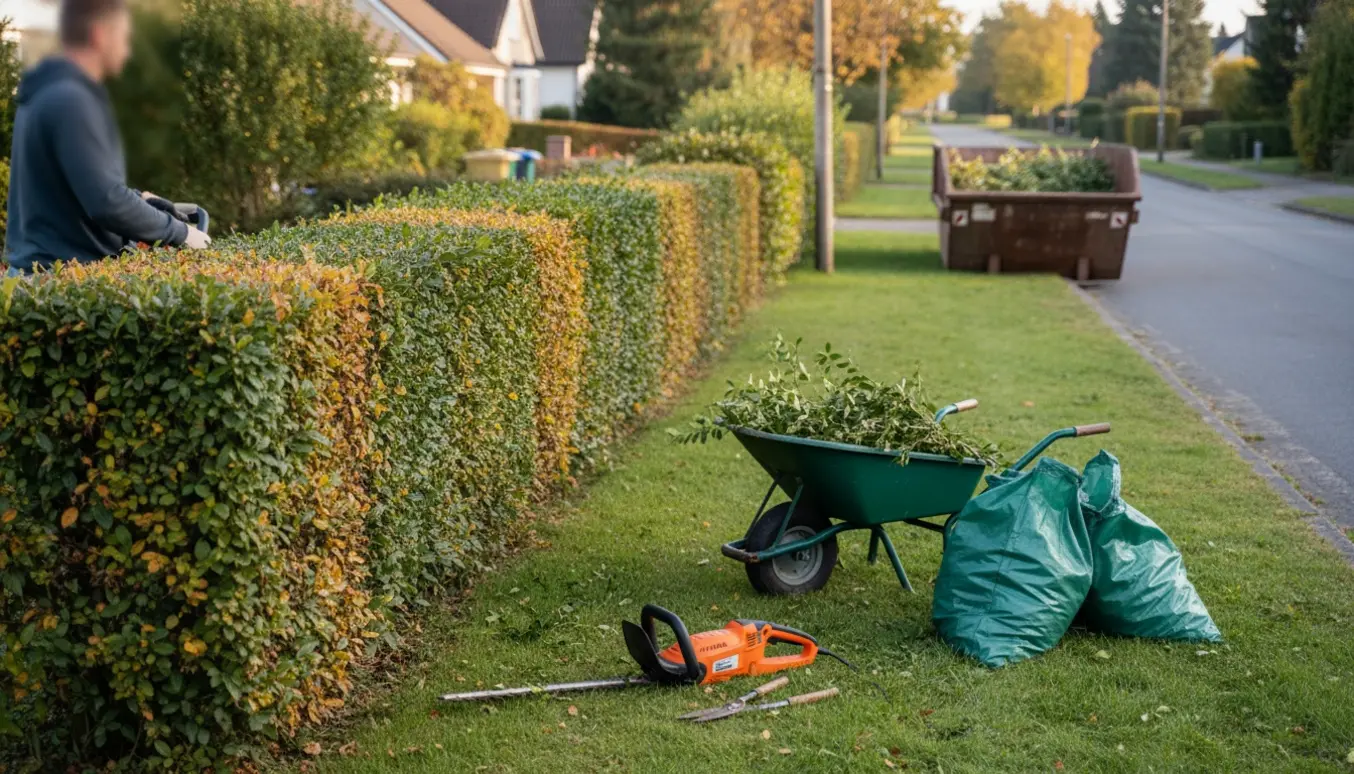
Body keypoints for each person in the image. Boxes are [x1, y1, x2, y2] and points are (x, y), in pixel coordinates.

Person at [4, 0, 209, 277]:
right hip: (59, 282)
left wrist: (141, 199)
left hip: (36, 276)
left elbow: (74, 189)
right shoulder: (72, 99)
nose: (126, 51)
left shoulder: (47, 93)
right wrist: (181, 233)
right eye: (123, 37)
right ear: (100, 35)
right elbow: (106, 202)